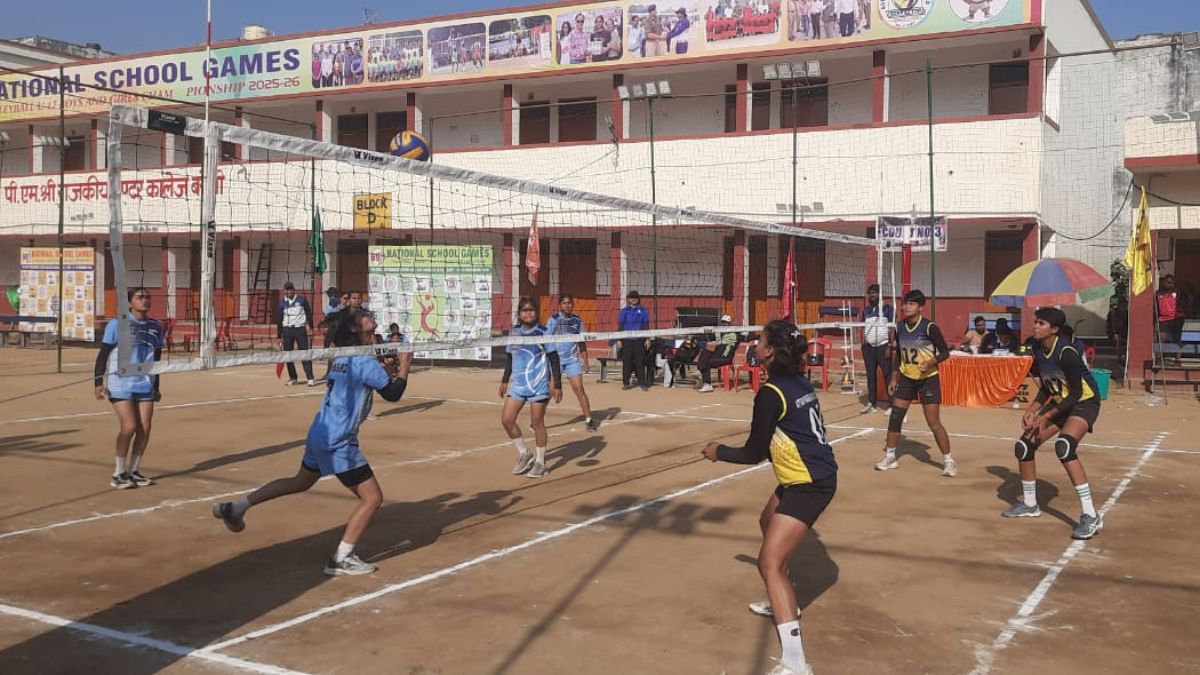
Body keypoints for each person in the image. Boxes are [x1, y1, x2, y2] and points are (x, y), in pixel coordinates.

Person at [213, 309, 412, 575]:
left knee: (299, 482)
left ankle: (237, 508)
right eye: (364, 315)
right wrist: (405, 363)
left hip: (319, 431)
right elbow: (394, 394)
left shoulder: (342, 355)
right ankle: (342, 557)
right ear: (354, 329)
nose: (370, 316)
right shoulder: (363, 361)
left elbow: (360, 383)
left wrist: (385, 369)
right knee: (373, 498)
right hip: (338, 440)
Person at [702, 320, 835, 675]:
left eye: (759, 340)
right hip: (805, 476)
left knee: (769, 564)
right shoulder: (798, 382)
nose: (754, 345)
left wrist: (718, 451)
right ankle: (783, 597)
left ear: (771, 351)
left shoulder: (771, 392)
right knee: (766, 522)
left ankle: (796, 664)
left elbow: (753, 453)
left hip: (810, 483)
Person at [1003, 307, 1104, 540]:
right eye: (1036, 322)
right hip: (1061, 401)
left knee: (1065, 447)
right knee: (1024, 446)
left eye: (1041, 323)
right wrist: (1032, 410)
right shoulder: (1037, 348)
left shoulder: (1066, 352)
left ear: (1055, 329)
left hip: (1084, 402)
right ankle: (1030, 504)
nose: (1035, 326)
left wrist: (1046, 416)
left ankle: (1090, 515)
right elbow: (1049, 388)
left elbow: (1076, 393)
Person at [875, 290, 956, 477]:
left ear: (920, 307)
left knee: (933, 422)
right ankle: (890, 457)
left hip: (928, 379)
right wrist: (894, 377)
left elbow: (945, 352)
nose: (906, 307)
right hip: (907, 378)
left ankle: (949, 461)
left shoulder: (929, 327)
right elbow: (899, 356)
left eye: (911, 304)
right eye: (905, 303)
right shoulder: (899, 327)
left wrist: (930, 362)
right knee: (895, 416)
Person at [95, 287, 164, 489]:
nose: (145, 301)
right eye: (140, 297)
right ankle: (118, 472)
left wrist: (157, 385)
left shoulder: (156, 326)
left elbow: (156, 359)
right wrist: (98, 382)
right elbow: (103, 355)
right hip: (121, 383)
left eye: (148, 297)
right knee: (129, 427)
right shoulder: (117, 324)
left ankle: (134, 471)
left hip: (145, 384)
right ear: (130, 302)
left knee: (145, 428)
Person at [502, 298, 563, 479]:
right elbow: (509, 358)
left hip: (539, 385)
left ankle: (540, 462)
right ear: (519, 314)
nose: (528, 314)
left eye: (531, 310)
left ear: (536, 313)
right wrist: (505, 380)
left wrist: (557, 384)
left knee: (537, 423)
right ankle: (524, 453)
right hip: (519, 384)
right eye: (524, 311)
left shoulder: (543, 332)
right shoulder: (514, 333)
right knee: (507, 420)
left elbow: (554, 358)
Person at [547, 294, 600, 431]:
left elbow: (581, 342)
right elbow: (545, 341)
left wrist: (586, 361)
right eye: (564, 303)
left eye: (569, 303)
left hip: (571, 360)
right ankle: (537, 420)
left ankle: (589, 420)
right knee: (549, 392)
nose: (567, 305)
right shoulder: (553, 320)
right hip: (555, 360)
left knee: (579, 389)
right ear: (559, 305)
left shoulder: (577, 321)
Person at [861, 283, 894, 414]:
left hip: (883, 346)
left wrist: (890, 346)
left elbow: (892, 328)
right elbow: (862, 326)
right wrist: (863, 344)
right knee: (870, 376)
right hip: (869, 348)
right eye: (870, 293)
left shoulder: (888, 309)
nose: (872, 295)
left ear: (880, 295)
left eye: (875, 293)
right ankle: (871, 403)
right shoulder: (867, 310)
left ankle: (892, 404)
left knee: (887, 375)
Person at [277, 281, 316, 387]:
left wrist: (311, 328)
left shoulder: (302, 300)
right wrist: (279, 336)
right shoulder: (281, 303)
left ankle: (310, 378)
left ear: (294, 290)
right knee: (288, 355)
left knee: (304, 353)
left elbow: (308, 313)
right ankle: (293, 377)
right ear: (284, 290)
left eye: (290, 289)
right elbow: (279, 319)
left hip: (300, 329)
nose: (289, 291)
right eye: (287, 289)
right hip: (287, 330)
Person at [618, 290, 652, 390]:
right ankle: (626, 383)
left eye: (635, 297)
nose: (633, 299)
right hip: (627, 340)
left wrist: (647, 339)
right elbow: (621, 325)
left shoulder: (643, 310)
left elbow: (646, 325)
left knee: (640, 361)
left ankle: (642, 383)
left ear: (638, 299)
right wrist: (619, 340)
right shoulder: (624, 311)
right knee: (627, 361)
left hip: (639, 340)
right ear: (628, 299)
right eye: (631, 297)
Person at [697, 314, 737, 393]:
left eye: (726, 322)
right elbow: (714, 340)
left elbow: (722, 343)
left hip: (725, 357)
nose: (724, 324)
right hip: (718, 354)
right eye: (723, 322)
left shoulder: (733, 334)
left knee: (705, 362)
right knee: (704, 354)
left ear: (729, 324)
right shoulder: (719, 332)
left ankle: (706, 383)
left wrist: (715, 342)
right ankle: (705, 380)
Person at [1157, 274, 1184, 346]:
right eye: (1167, 282)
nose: (1169, 285)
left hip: (1176, 318)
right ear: (1163, 282)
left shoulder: (1177, 292)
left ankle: (1178, 355)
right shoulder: (1158, 293)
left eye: (1171, 283)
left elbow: (1187, 301)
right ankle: (1159, 355)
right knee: (1161, 337)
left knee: (1177, 338)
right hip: (1163, 319)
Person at [1106, 296, 1128, 365]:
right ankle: (1120, 358)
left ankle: (1124, 358)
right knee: (1119, 342)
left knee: (1123, 342)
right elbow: (1112, 324)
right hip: (1115, 331)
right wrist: (1114, 332)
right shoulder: (1113, 312)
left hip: (1123, 331)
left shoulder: (1126, 312)